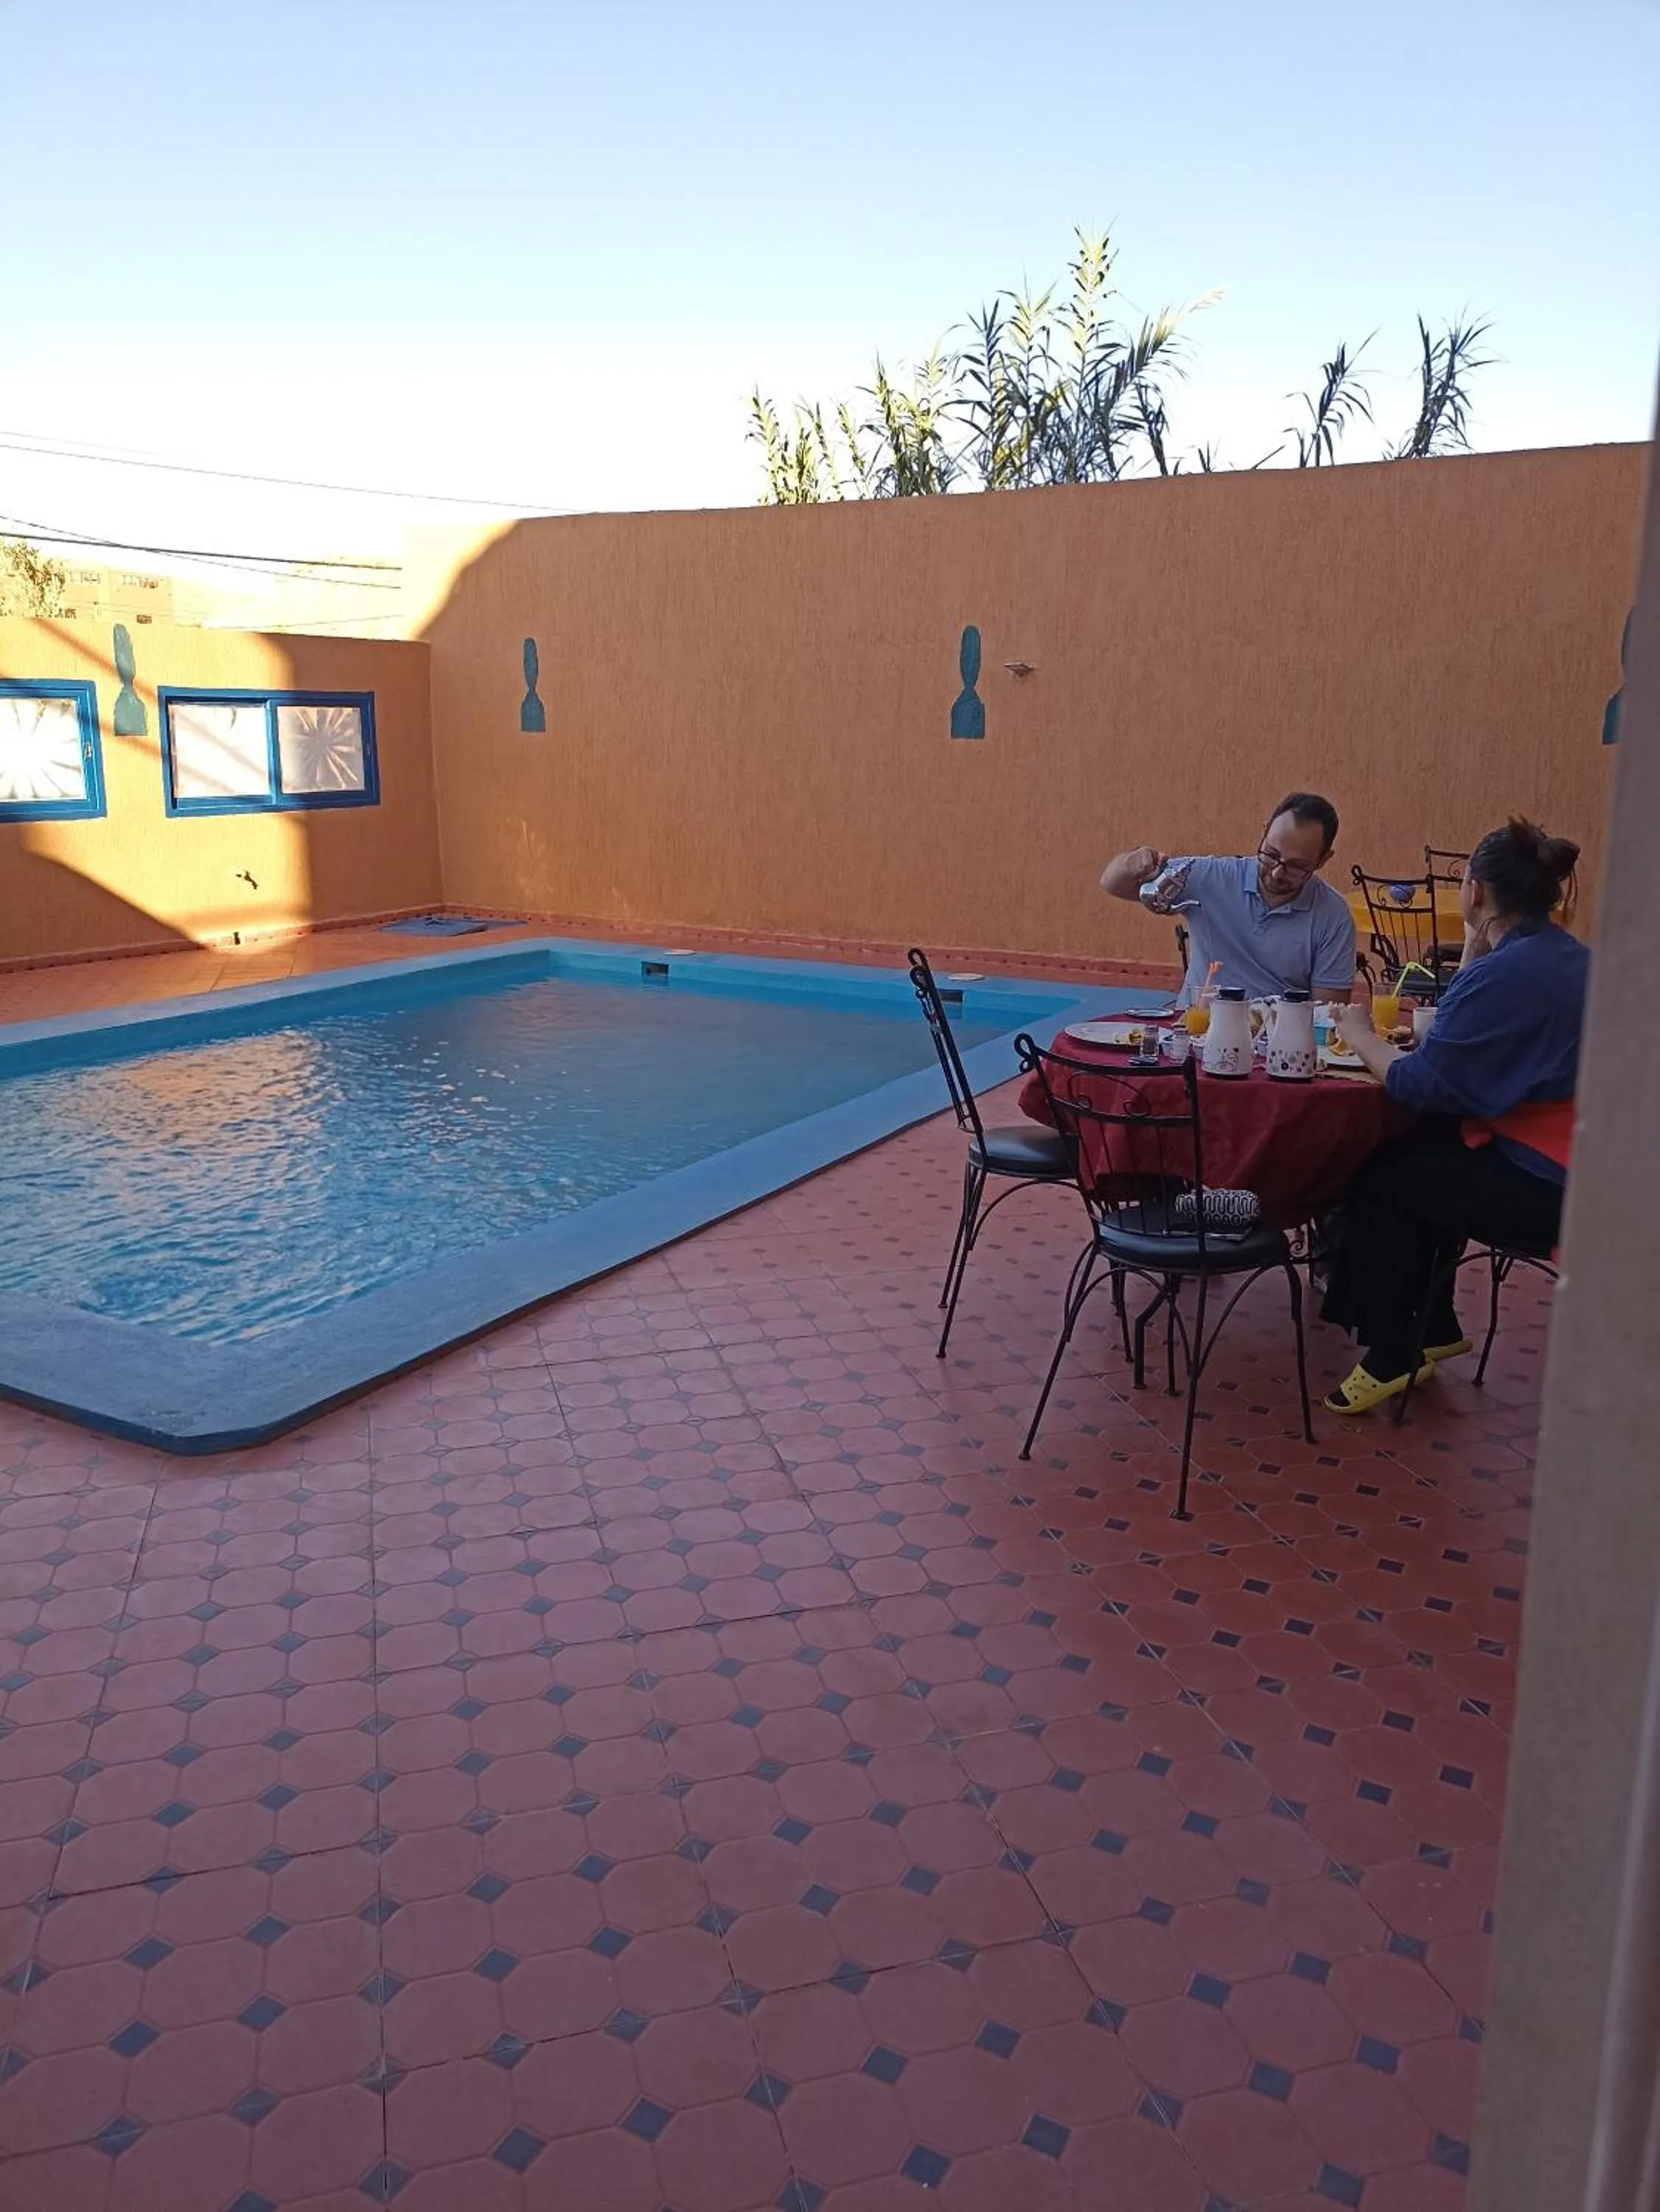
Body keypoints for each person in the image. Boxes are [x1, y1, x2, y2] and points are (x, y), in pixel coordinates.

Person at [1319, 817, 1587, 1413]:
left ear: (1474, 889)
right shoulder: (1566, 957)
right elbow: (1460, 1034)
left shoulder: (1507, 974)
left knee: (1385, 1176)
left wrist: (1360, 1035)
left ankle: (1394, 1350)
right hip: (1589, 1169)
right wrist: (1474, 943)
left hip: (1553, 1186)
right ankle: (1433, 1325)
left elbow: (1418, 1084)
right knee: (1431, 1158)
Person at [1101, 792, 1357, 1004]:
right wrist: (1131, 863)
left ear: (1323, 860)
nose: (1277, 873)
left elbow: (1328, 1016)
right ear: (1265, 831)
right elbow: (1113, 884)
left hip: (1275, 1040)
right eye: (1270, 854)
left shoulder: (1333, 915)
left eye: (1297, 866)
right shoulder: (1212, 876)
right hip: (1195, 1029)